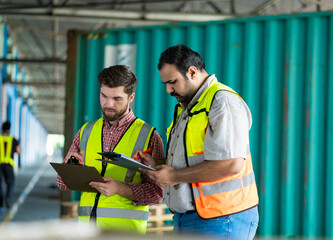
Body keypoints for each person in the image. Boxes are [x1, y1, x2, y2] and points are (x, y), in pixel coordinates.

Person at [136, 44, 259, 240]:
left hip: (222, 217)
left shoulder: (222, 102)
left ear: (192, 72)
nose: (168, 90)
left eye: (172, 82)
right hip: (191, 218)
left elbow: (231, 163)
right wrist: (158, 165)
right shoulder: (189, 106)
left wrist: (174, 176)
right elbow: (193, 158)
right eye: (165, 84)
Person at [56, 65, 164, 234]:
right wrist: (71, 169)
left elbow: (156, 193)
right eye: (104, 96)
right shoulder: (86, 131)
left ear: (131, 97)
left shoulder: (148, 136)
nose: (108, 104)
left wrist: (120, 189)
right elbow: (61, 183)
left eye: (117, 99)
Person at [0, 121, 21, 212]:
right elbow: (18, 151)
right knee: (11, 183)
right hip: (8, 166)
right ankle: (8, 200)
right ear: (9, 129)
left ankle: (0, 205)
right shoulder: (13, 139)